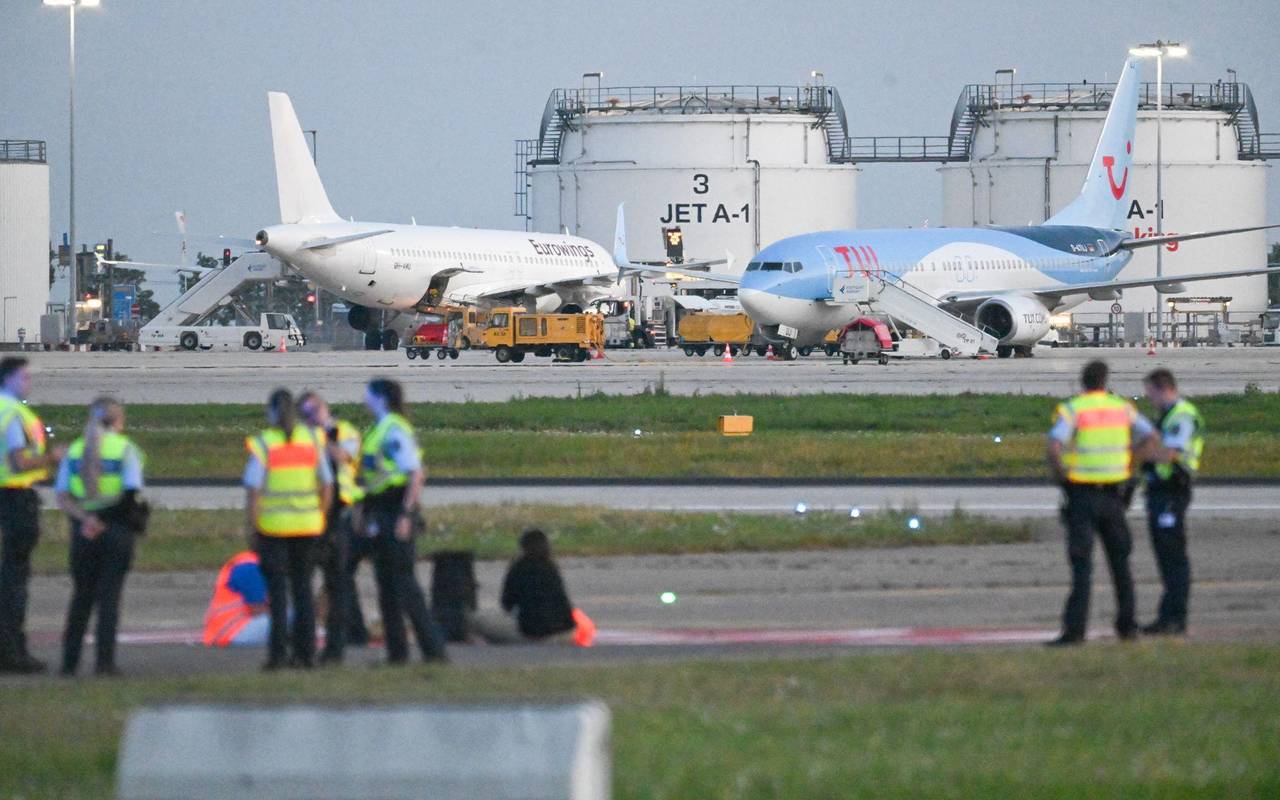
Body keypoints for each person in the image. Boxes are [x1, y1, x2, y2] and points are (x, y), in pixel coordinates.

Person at [1046, 360, 1158, 646]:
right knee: (1120, 564)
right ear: (1105, 381)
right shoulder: (1122, 408)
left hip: (1081, 494)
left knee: (1082, 566)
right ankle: (1127, 626)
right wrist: (1131, 465)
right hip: (1113, 496)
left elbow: (1054, 446)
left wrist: (1063, 478)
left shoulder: (1073, 409)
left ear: (1082, 382)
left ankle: (1074, 632)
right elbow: (1151, 437)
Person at [56, 398, 146, 676]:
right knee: (109, 599)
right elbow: (130, 495)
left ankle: (69, 663)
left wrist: (87, 520)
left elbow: (62, 495)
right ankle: (104, 663)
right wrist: (104, 521)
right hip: (116, 530)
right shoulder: (125, 449)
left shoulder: (74, 450)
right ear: (118, 420)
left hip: (83, 532)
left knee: (81, 597)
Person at [358, 378, 446, 664]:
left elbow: (415, 473)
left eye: (369, 393)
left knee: (405, 585)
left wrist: (406, 515)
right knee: (386, 586)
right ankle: (397, 653)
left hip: (395, 509)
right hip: (379, 509)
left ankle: (434, 650)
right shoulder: (378, 428)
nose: (364, 397)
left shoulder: (393, 429)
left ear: (381, 398)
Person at [244, 388, 333, 670]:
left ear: (271, 412)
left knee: (279, 595)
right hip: (307, 527)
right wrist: (319, 514)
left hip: (273, 530)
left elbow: (254, 490)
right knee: (304, 591)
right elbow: (327, 485)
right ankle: (307, 655)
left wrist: (253, 525)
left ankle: (278, 655)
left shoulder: (265, 443)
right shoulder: (312, 440)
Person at [0, 357, 66, 674]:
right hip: (13, 497)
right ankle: (11, 653)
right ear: (9, 379)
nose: (29, 382)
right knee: (14, 578)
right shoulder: (11, 413)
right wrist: (51, 457)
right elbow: (17, 462)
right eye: (24, 377)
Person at [298, 390, 364, 662]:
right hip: (316, 513)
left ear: (325, 408)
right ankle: (352, 630)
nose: (312, 417)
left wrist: (320, 438)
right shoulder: (304, 436)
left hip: (345, 511)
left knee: (341, 575)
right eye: (306, 413)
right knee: (337, 577)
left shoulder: (345, 431)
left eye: (315, 411)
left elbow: (345, 457)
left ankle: (350, 632)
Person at [1140, 368, 1204, 635]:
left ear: (1162, 388)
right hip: (1160, 492)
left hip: (1172, 492)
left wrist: (1141, 455)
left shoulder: (1182, 415)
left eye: (1151, 393)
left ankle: (1175, 618)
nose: (1150, 399)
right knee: (1166, 555)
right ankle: (1168, 616)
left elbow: (1170, 454)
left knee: (1173, 555)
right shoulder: (1166, 416)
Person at [470, 529, 577, 645]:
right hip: (566, 632)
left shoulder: (519, 568)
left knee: (475, 621)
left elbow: (507, 605)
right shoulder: (552, 567)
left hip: (533, 635)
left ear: (523, 547)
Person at [203, 550, 271, 647]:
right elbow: (257, 610)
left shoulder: (250, 563)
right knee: (294, 616)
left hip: (225, 632)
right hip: (233, 632)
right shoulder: (249, 567)